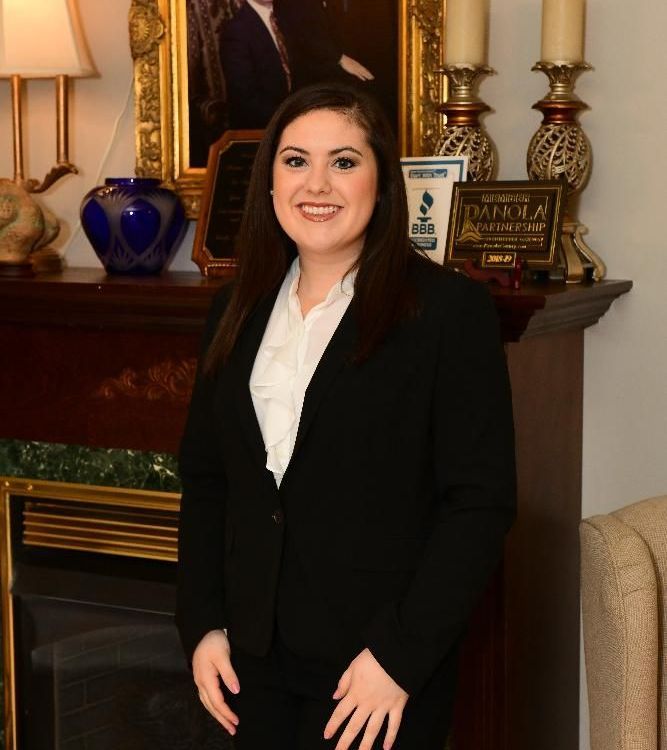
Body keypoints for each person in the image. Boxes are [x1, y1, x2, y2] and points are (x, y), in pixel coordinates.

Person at [176, 82, 516, 749]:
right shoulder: (234, 311)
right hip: (248, 668)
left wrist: (398, 657)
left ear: (381, 181)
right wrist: (202, 624)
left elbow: (478, 504)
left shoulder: (447, 315)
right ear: (270, 182)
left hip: (372, 673)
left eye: (344, 161)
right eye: (295, 160)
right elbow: (206, 479)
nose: (316, 184)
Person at [220, 0, 292, 129]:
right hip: (260, 131)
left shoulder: (288, 18)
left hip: (296, 117)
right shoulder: (235, 30)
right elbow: (246, 99)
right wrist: (289, 119)